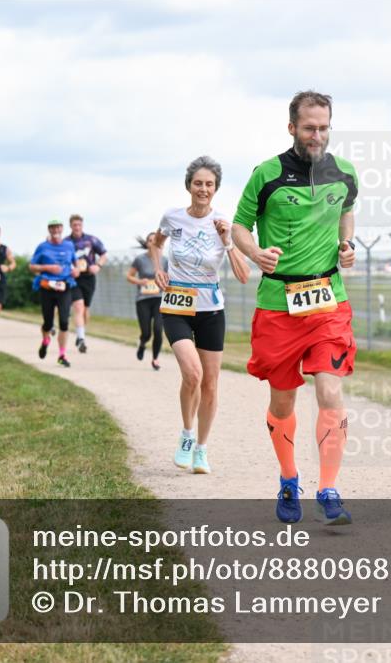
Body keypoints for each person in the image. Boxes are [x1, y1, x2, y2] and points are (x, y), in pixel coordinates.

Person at [231, 90, 359, 525]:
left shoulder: (344, 173)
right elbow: (238, 226)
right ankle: (289, 478)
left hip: (328, 300)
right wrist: (255, 252)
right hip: (278, 305)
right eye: (309, 128)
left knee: (329, 389)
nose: (317, 135)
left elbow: (348, 211)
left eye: (324, 128)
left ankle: (329, 488)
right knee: (283, 401)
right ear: (292, 128)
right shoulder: (266, 174)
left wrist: (347, 244)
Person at [150, 156, 249, 475]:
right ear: (188, 186)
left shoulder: (223, 223)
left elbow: (244, 275)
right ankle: (187, 435)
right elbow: (155, 243)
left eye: (209, 184)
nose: (203, 189)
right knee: (192, 374)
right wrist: (157, 268)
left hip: (210, 310)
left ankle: (203, 450)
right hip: (176, 306)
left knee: (210, 383)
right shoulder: (173, 217)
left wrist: (228, 242)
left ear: (216, 188)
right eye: (198, 183)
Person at [30, 219, 80, 367]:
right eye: (52, 227)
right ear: (49, 230)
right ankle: (45, 341)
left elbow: (75, 264)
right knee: (48, 323)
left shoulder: (69, 245)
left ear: (62, 228)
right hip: (47, 288)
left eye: (58, 227)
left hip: (64, 287)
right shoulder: (42, 247)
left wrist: (76, 270)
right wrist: (48, 267)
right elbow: (32, 266)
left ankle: (62, 355)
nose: (56, 230)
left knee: (64, 322)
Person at [127, 232, 169, 371]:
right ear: (147, 244)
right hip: (143, 300)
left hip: (159, 299)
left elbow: (169, 278)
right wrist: (140, 281)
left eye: (155, 240)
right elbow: (129, 276)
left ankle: (155, 359)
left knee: (158, 329)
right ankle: (142, 343)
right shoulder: (140, 259)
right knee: (146, 332)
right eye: (150, 240)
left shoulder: (164, 260)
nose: (152, 243)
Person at [67, 214, 107, 353]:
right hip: (74, 279)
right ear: (70, 226)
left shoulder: (91, 240)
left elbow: (103, 254)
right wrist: (72, 269)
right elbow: (62, 259)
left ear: (82, 225)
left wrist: (98, 266)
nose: (77, 227)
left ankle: (81, 332)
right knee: (78, 306)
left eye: (79, 224)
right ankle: (81, 338)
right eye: (74, 225)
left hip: (89, 278)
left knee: (85, 309)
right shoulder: (66, 242)